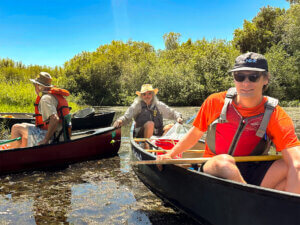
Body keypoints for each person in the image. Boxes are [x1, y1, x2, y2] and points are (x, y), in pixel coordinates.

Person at [157, 52, 300, 194]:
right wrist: (171, 154)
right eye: (240, 76)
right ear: (234, 79)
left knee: (291, 168)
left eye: (253, 77)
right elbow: (195, 133)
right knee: (224, 163)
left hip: (252, 169)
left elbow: (296, 162)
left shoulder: (276, 114)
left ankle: (276, 208)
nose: (246, 83)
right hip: (214, 165)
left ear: (266, 79)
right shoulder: (215, 101)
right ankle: (250, 201)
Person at [9, 72, 71, 149]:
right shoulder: (54, 96)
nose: (34, 87)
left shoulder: (45, 99)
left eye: (35, 84)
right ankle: (24, 152)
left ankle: (13, 156)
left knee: (16, 128)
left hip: (53, 137)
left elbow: (55, 119)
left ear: (39, 86)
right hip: (60, 134)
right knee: (23, 125)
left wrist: (45, 140)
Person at [113, 84, 183, 139]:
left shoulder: (159, 105)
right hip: (141, 134)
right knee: (150, 124)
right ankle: (147, 147)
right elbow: (126, 117)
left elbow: (172, 113)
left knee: (171, 126)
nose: (147, 96)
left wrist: (178, 118)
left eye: (149, 93)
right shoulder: (137, 105)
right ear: (141, 96)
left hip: (157, 132)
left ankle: (161, 144)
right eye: (144, 94)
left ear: (152, 94)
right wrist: (119, 121)